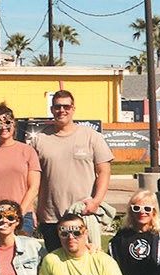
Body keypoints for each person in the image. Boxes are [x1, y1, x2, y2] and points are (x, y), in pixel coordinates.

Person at [32, 90, 112, 249]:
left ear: (73, 108)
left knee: (88, 264)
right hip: (51, 216)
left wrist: (96, 202)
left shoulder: (91, 137)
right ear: (52, 109)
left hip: (83, 214)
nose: (62, 110)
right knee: (56, 265)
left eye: (66, 106)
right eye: (57, 106)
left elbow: (104, 171)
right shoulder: (39, 140)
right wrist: (31, 209)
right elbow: (32, 178)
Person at [0, 107, 41, 236]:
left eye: (7, 122)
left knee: (23, 253)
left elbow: (34, 187)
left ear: (14, 124)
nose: (3, 127)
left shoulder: (27, 151)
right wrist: (0, 211)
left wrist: (18, 213)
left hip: (23, 215)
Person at [108, 189, 160, 275]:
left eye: (147, 208)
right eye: (136, 208)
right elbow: (111, 266)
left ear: (154, 211)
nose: (142, 212)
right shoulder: (121, 237)